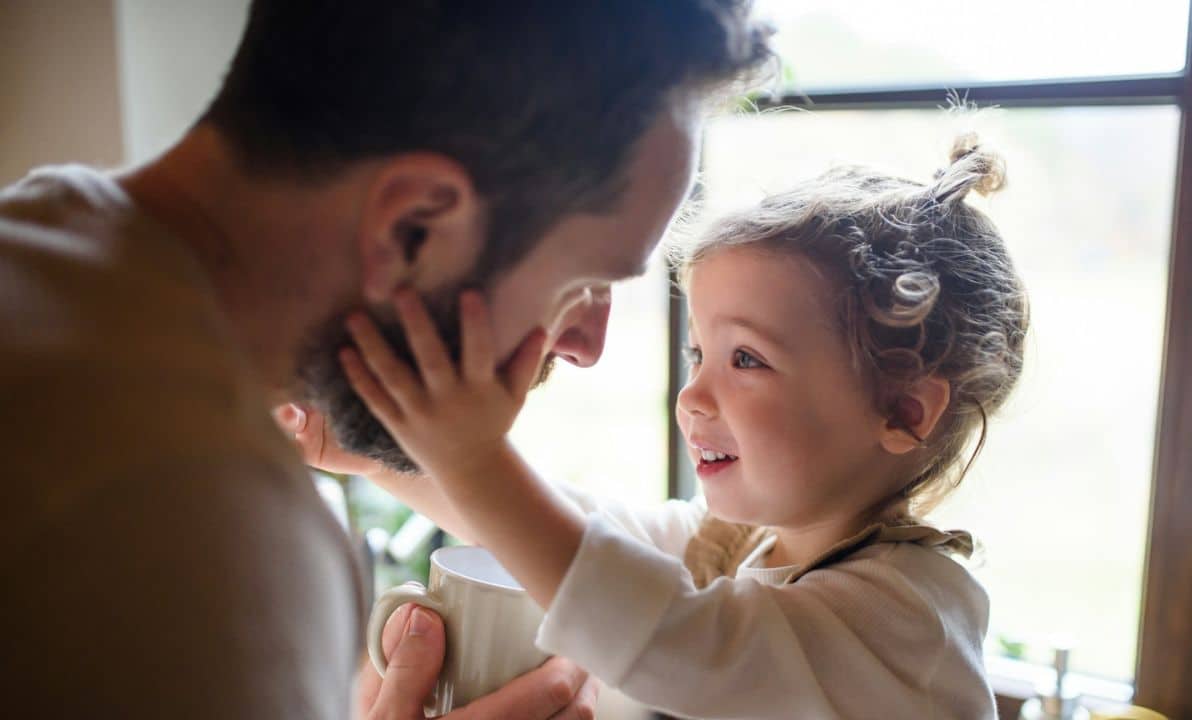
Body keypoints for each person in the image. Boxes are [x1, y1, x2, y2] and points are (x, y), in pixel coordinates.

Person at [0, 1, 771, 717]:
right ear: (413, 227)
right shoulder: (197, 513)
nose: (587, 347)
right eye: (583, 285)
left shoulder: (42, 253)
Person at [326, 134, 1029, 719]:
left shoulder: (906, 622)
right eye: (698, 353)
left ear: (903, 411)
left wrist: (476, 460)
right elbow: (587, 534)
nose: (692, 395)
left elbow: (679, 635)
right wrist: (380, 457)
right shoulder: (747, 546)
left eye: (746, 358)